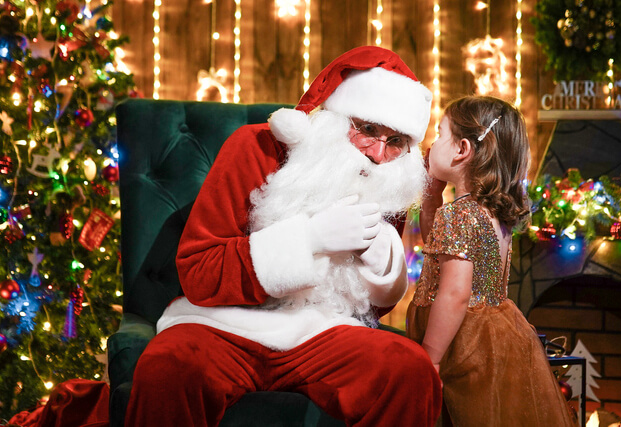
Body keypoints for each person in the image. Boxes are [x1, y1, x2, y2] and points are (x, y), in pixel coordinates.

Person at [125, 46, 442, 426]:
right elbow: (199, 270)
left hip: (322, 331)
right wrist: (308, 241)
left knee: (408, 370)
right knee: (169, 368)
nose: (377, 153)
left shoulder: (387, 177)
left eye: (396, 142)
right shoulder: (253, 147)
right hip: (223, 325)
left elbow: (368, 311)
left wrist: (380, 265)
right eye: (368, 130)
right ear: (336, 119)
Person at [406, 95, 577, 426]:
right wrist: (431, 198)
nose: (432, 143)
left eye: (440, 134)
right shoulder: (493, 213)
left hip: (459, 343)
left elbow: (455, 294)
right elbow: (438, 248)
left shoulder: (458, 215)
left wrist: (432, 356)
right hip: (495, 337)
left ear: (462, 150)